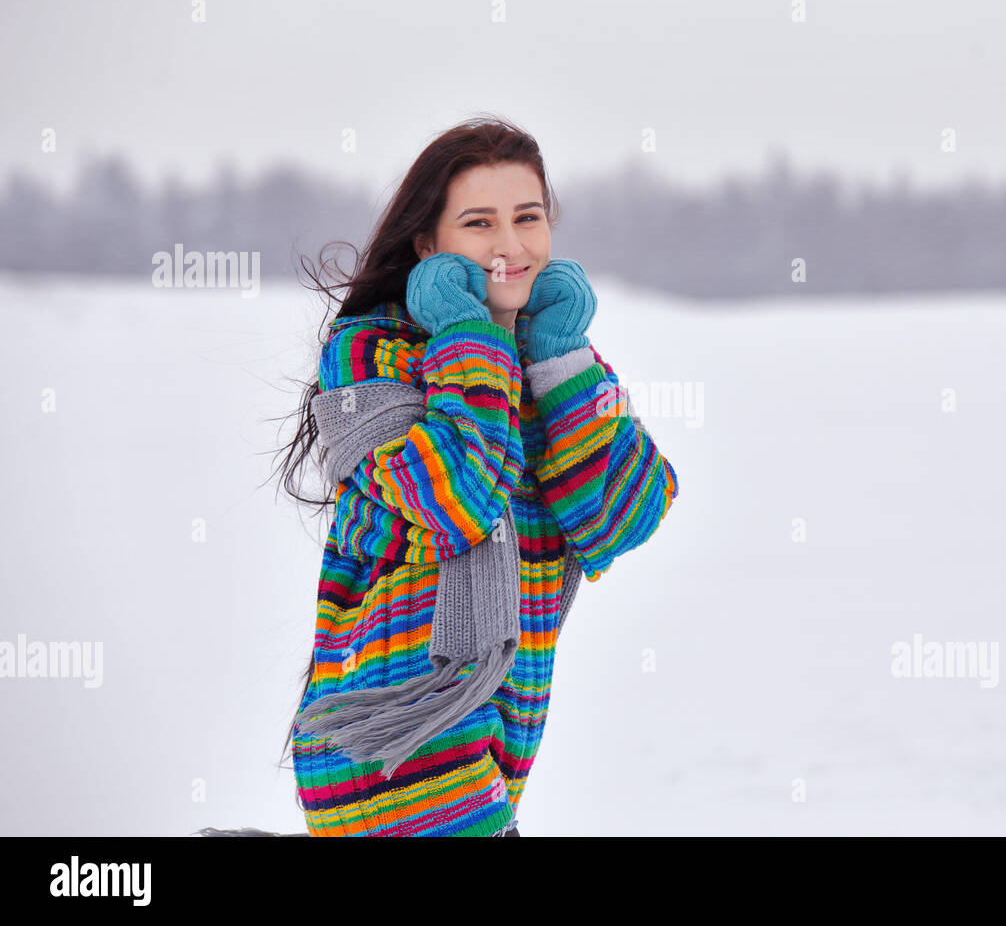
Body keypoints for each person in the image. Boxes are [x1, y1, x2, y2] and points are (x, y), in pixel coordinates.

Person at [199, 115, 679, 837]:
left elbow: (619, 516)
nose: (510, 247)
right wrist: (467, 332)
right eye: (479, 223)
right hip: (394, 736)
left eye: (528, 218)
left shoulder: (551, 364)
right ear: (430, 246)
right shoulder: (370, 358)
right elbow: (458, 497)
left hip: (496, 740)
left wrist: (556, 356)